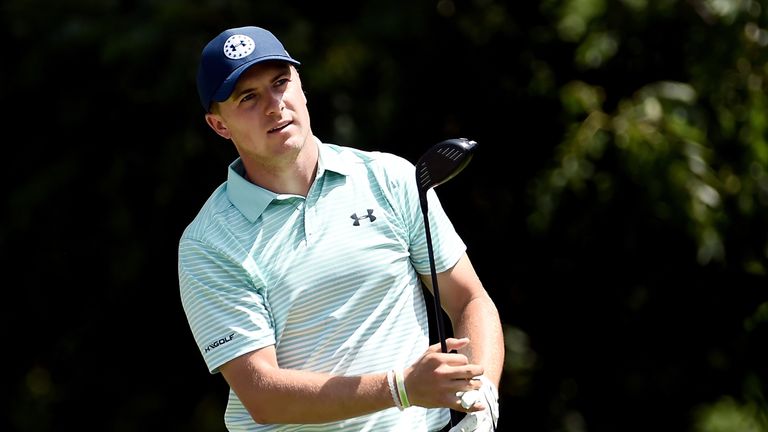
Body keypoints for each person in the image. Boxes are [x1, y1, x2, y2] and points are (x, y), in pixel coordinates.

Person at [178, 25, 504, 432]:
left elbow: (469, 299)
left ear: (302, 87)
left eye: (280, 83)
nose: (274, 106)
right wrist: (401, 388)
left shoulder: (389, 178)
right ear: (219, 125)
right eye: (248, 97)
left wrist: (481, 399)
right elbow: (262, 394)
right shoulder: (209, 243)